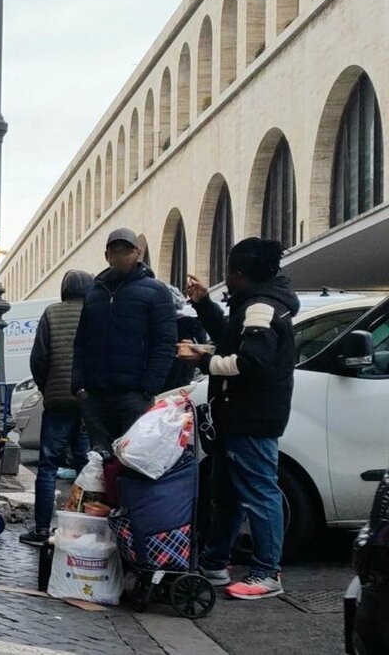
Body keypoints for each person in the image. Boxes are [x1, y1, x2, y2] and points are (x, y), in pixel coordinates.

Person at [179, 238, 298, 600]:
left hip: (251, 416)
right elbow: (233, 341)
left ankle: (266, 573)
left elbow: (251, 363)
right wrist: (203, 305)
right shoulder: (256, 303)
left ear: (241, 274)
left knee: (260, 493)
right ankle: (215, 563)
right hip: (240, 416)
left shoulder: (261, 308)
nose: (226, 279)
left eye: (230, 272)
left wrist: (202, 362)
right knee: (226, 493)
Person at [72, 228, 178, 452]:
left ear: (137, 253)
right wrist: (80, 385)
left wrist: (149, 387)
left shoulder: (155, 291)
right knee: (100, 463)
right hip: (96, 395)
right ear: (107, 255)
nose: (121, 256)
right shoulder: (94, 293)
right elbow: (81, 340)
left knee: (132, 460)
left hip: (134, 395)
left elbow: (166, 342)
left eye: (126, 251)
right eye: (115, 251)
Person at [20, 270, 94, 547]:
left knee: (48, 465)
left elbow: (39, 358)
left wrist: (46, 387)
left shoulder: (51, 313)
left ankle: (41, 529)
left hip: (58, 401)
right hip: (87, 401)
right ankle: (87, 526)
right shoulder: (95, 313)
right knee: (86, 464)